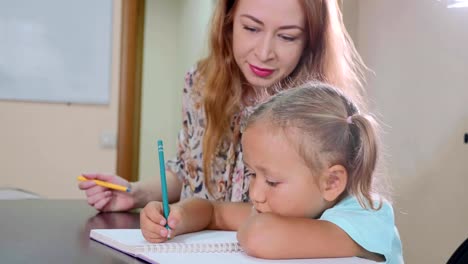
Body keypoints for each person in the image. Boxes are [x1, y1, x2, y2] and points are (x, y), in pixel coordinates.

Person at [79, 0, 368, 212]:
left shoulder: (322, 113)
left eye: (287, 36)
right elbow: (187, 171)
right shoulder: (200, 83)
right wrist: (136, 193)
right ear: (228, 23)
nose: (264, 52)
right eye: (251, 28)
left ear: (310, 42)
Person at [140, 83, 403, 263]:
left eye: (272, 181)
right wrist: (178, 216)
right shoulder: (290, 206)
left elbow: (259, 236)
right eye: (252, 174)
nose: (255, 193)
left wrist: (252, 223)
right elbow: (215, 212)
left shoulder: (367, 218)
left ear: (332, 181)